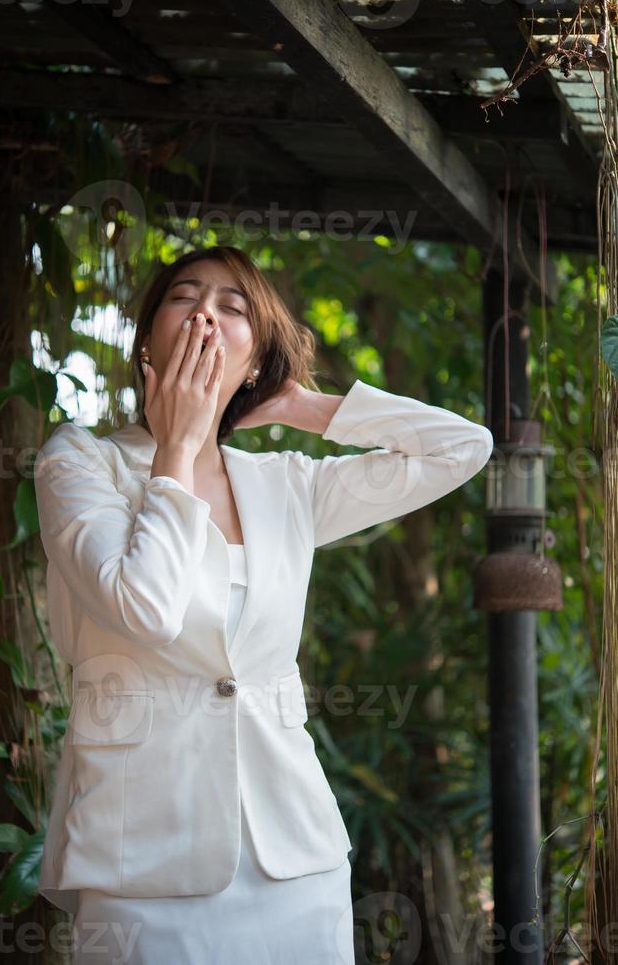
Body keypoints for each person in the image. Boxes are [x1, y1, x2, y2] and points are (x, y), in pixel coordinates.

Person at [34, 244, 494, 964]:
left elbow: (462, 448)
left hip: (294, 854)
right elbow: (144, 610)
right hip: (142, 858)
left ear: (255, 358)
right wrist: (178, 452)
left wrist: (302, 407)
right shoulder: (80, 462)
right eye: (184, 298)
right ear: (148, 339)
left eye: (234, 305)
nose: (207, 314)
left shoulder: (287, 485)